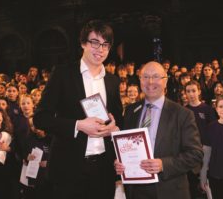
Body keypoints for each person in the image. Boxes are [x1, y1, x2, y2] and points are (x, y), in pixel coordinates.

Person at [33, 19, 123, 199]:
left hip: (103, 169)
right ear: (83, 43)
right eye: (95, 42)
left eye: (105, 44)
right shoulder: (62, 74)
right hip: (69, 168)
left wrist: (114, 128)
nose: (100, 49)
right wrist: (78, 125)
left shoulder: (112, 81)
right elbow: (40, 118)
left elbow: (118, 119)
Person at [115, 61, 203, 199]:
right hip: (136, 190)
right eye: (145, 77)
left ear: (165, 81)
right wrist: (120, 161)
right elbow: (127, 146)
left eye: (156, 76)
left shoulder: (182, 114)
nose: (150, 82)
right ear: (140, 80)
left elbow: (195, 154)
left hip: (169, 190)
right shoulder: (131, 111)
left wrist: (164, 164)